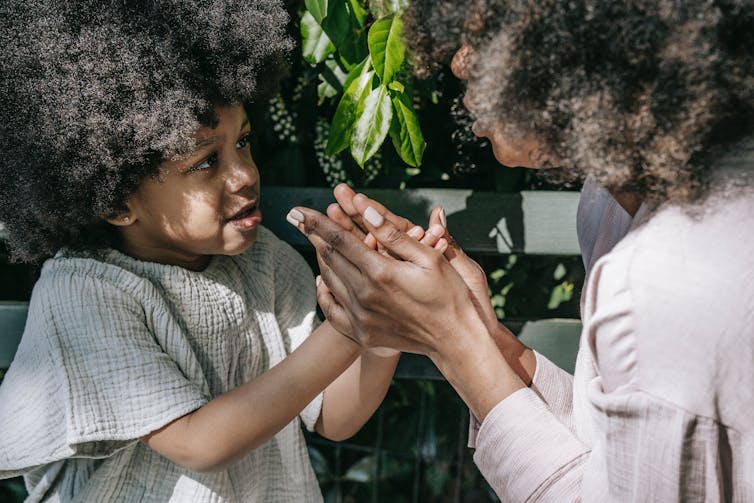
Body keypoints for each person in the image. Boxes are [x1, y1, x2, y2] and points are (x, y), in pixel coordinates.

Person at [285, 0, 754, 500]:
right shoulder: (610, 207)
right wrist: (478, 333)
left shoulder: (662, 277)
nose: (457, 63)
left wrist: (454, 342)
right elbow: (616, 452)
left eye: (483, 31)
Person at [0, 1, 400, 501]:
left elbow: (336, 417)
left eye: (245, 142)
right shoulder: (84, 293)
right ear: (117, 201)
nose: (246, 175)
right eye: (206, 161)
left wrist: (384, 327)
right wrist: (353, 321)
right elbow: (200, 442)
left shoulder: (265, 262)